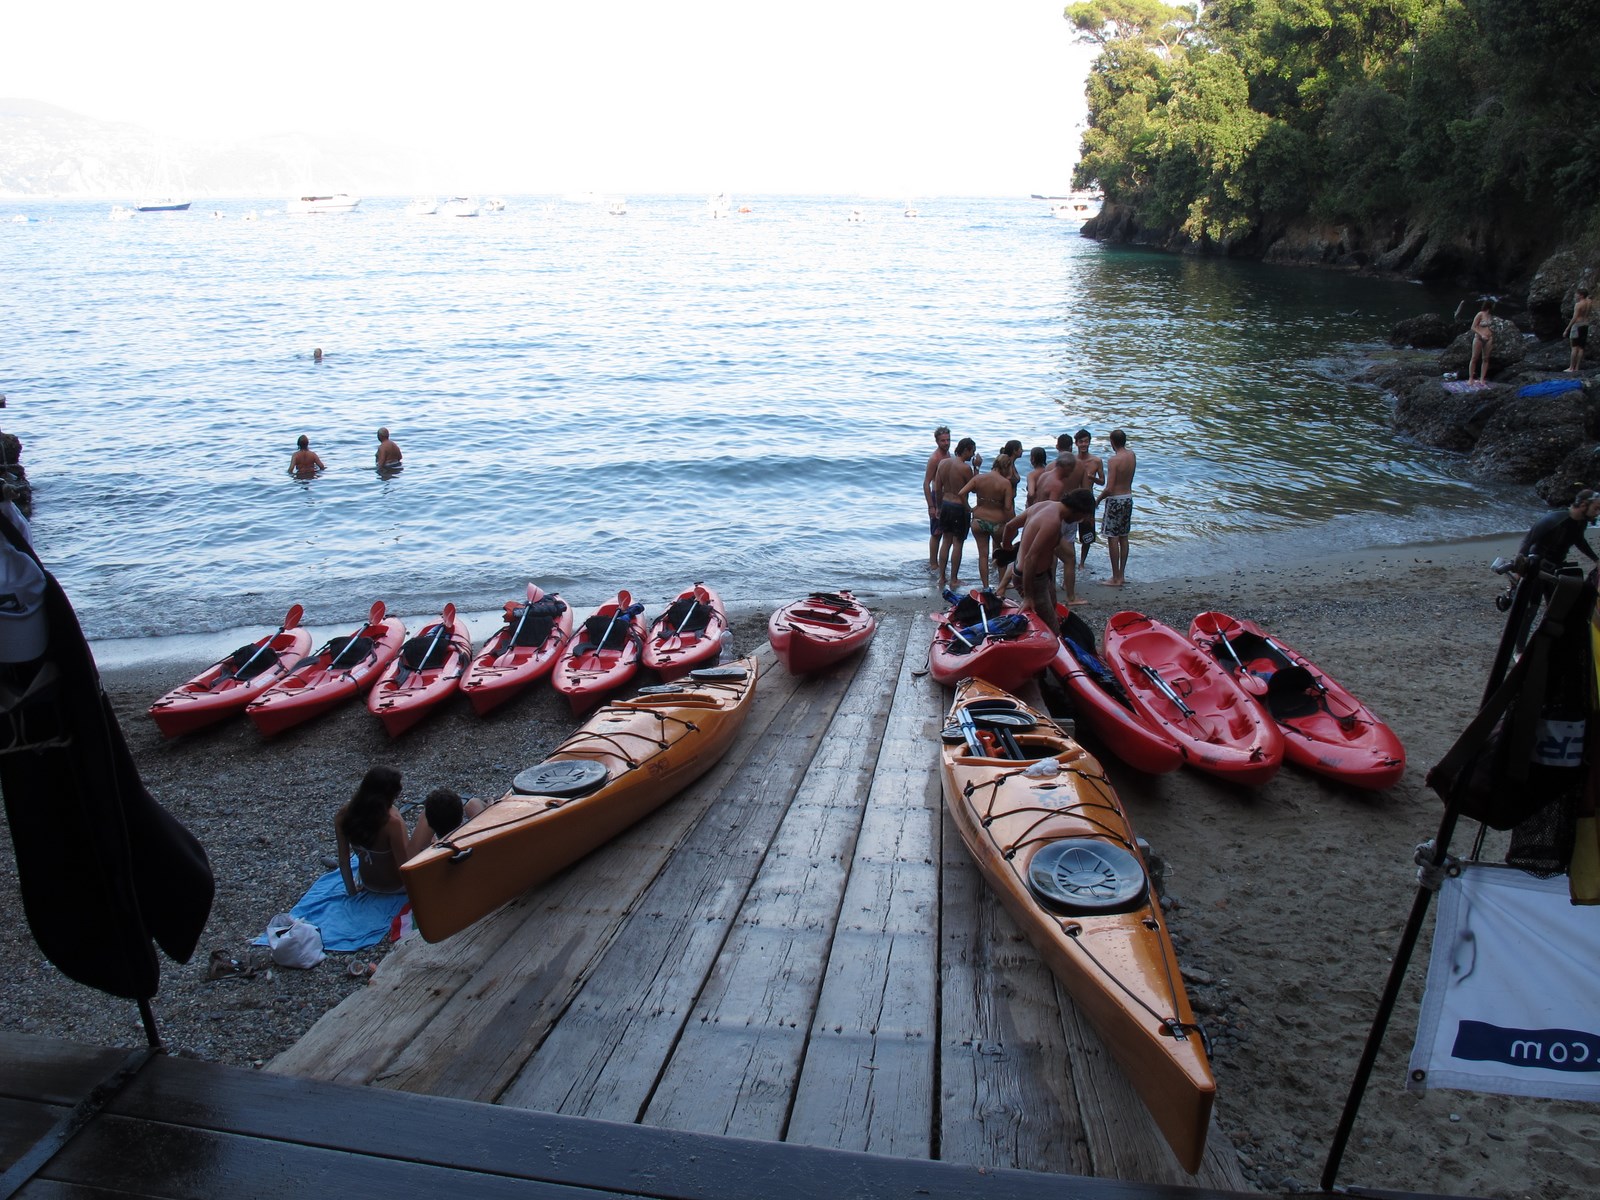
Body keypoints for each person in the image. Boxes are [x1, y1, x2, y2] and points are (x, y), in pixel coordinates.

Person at [998, 489, 1095, 636]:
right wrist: (1028, 597)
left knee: (1053, 607)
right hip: (1031, 579)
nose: (1080, 521)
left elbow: (1010, 526)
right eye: (1082, 517)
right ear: (1078, 511)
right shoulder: (1052, 523)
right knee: (1052, 630)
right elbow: (1030, 559)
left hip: (1042, 576)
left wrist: (1006, 546)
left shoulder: (1043, 505)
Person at [334, 766, 412, 896]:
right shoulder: (392, 822)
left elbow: (343, 860)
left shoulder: (342, 816)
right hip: (395, 887)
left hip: (367, 884)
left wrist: (352, 892)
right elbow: (404, 866)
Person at [956, 451, 1015, 590]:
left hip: (978, 520)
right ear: (1006, 467)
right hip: (997, 523)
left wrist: (969, 508)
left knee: (983, 555)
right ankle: (1001, 586)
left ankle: (986, 587)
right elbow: (1007, 507)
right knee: (1001, 555)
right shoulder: (1005, 483)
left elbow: (961, 493)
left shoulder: (979, 479)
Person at [932, 437, 977, 588]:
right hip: (959, 507)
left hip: (945, 504)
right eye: (972, 452)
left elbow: (937, 488)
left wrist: (938, 507)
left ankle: (942, 577)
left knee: (946, 541)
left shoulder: (943, 463)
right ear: (966, 450)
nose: (972, 455)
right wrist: (976, 468)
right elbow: (974, 487)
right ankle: (954, 579)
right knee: (958, 543)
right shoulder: (965, 468)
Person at [1518, 489, 1600, 568]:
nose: (1597, 513)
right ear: (1583, 506)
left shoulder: (1581, 521)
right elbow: (1528, 541)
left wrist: (1596, 560)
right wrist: (1520, 567)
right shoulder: (1554, 519)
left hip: (1556, 566)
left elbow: (1579, 540)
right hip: (1535, 564)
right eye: (1595, 508)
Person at [1098, 429, 1137, 587]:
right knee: (1124, 536)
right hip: (1128, 498)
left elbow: (1109, 488)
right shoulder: (1132, 455)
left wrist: (1098, 500)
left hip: (1115, 500)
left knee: (1112, 538)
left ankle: (1115, 577)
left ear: (1112, 442)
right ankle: (1122, 574)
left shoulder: (1114, 460)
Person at [407, 787, 488, 854]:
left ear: (430, 825)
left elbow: (411, 853)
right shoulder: (478, 842)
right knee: (473, 803)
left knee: (434, 809)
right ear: (461, 816)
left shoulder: (423, 858)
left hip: (436, 842)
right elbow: (475, 803)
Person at [1072, 428, 1105, 567]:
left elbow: (1103, 481)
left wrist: (1093, 478)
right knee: (1069, 532)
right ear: (1076, 443)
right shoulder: (1072, 460)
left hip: (1087, 500)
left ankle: (1082, 563)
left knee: (1087, 535)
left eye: (1086, 441)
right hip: (1073, 500)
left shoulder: (1096, 461)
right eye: (1081, 442)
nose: (1084, 444)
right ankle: (1071, 560)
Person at [922, 426, 952, 570]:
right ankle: (933, 564)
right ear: (937, 441)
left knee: (946, 532)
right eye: (943, 441)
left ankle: (942, 563)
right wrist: (931, 506)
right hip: (936, 496)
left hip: (947, 498)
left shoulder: (948, 455)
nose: (946, 443)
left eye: (948, 440)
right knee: (936, 533)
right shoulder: (935, 458)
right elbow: (926, 483)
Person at [1469, 300, 1494, 384]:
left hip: (1489, 338)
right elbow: (1473, 327)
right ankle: (1471, 378)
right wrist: (1481, 334)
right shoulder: (1480, 314)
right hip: (1479, 338)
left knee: (1486, 358)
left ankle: (1482, 378)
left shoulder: (1490, 316)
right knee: (1474, 358)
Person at [1566, 289, 1591, 374]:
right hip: (1586, 325)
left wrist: (1567, 329)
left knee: (1574, 347)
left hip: (1577, 326)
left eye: (1577, 294)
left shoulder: (1578, 304)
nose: (1575, 296)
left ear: (1581, 295)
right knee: (1581, 347)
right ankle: (1577, 367)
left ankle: (1571, 367)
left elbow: (1574, 318)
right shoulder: (1589, 302)